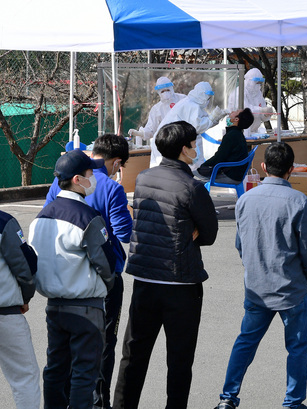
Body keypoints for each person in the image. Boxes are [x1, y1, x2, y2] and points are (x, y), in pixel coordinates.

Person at [113, 121, 218, 409]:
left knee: (133, 355)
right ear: (184, 150)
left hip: (145, 280)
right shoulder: (193, 188)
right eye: (193, 144)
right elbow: (208, 234)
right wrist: (190, 230)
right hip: (181, 284)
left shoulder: (144, 179)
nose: (195, 148)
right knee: (180, 360)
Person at [214, 142, 307, 409]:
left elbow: (241, 244)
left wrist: (254, 266)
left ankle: (228, 397)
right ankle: (292, 402)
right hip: (292, 287)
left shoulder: (246, 199)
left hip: (257, 286)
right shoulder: (299, 201)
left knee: (246, 342)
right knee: (297, 347)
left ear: (264, 167)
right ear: (291, 170)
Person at [45, 134, 133, 409]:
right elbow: (123, 233)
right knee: (101, 347)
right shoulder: (111, 189)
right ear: (117, 161)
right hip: (100, 281)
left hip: (64, 278)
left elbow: (50, 217)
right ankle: (98, 403)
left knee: (61, 354)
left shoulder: (58, 183)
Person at [29, 149, 116, 409]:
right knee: (84, 374)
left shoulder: (41, 217)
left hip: (54, 306)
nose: (95, 178)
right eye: (91, 173)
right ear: (78, 179)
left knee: (55, 369)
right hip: (86, 307)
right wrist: (106, 285)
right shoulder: (87, 217)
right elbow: (106, 264)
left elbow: (32, 261)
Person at [0, 210, 40, 409]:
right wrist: (25, 296)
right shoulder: (3, 222)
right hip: (4, 313)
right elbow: (25, 265)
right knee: (24, 378)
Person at [151, 81, 228, 169]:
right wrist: (213, 117)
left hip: (170, 140)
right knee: (167, 170)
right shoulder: (191, 106)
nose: (208, 101)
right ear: (202, 95)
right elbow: (197, 127)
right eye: (208, 98)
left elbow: (203, 123)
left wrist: (216, 118)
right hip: (167, 141)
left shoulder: (191, 103)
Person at [196, 108, 254, 182]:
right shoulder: (237, 133)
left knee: (192, 177)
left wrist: (203, 166)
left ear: (236, 119)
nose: (232, 111)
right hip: (235, 174)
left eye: (236, 111)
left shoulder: (232, 135)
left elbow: (219, 157)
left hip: (230, 175)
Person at [128, 76, 186, 142]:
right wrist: (140, 133)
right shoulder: (156, 109)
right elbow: (151, 129)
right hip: (169, 142)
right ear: (158, 92)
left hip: (186, 138)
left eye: (168, 90)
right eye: (163, 91)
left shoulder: (183, 99)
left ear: (172, 88)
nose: (166, 93)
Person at [228, 68, 274, 137]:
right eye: (256, 82)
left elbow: (262, 115)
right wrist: (261, 110)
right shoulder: (239, 92)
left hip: (254, 133)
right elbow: (245, 109)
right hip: (240, 131)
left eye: (259, 83)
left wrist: (266, 114)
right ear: (249, 81)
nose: (258, 85)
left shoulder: (258, 94)